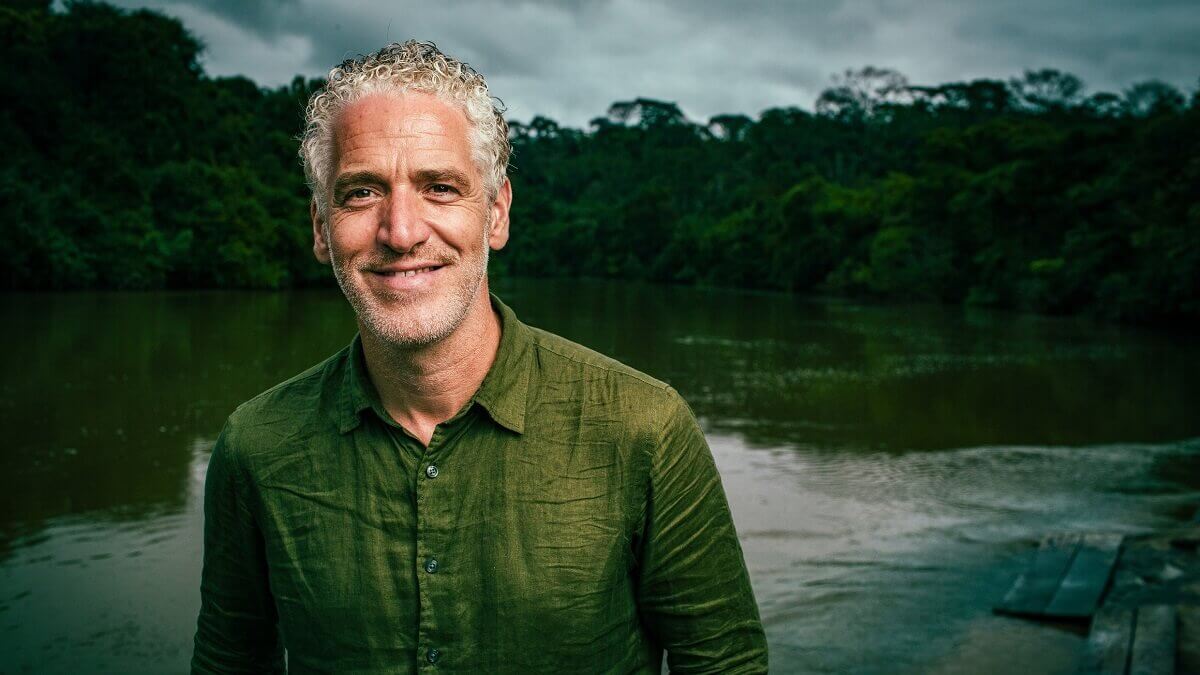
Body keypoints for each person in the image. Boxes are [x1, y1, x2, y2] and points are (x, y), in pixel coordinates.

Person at [192, 41, 767, 674]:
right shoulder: (256, 446)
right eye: (361, 193)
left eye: (440, 187)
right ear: (321, 228)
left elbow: (724, 665)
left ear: (496, 214)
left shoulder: (645, 429)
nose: (401, 231)